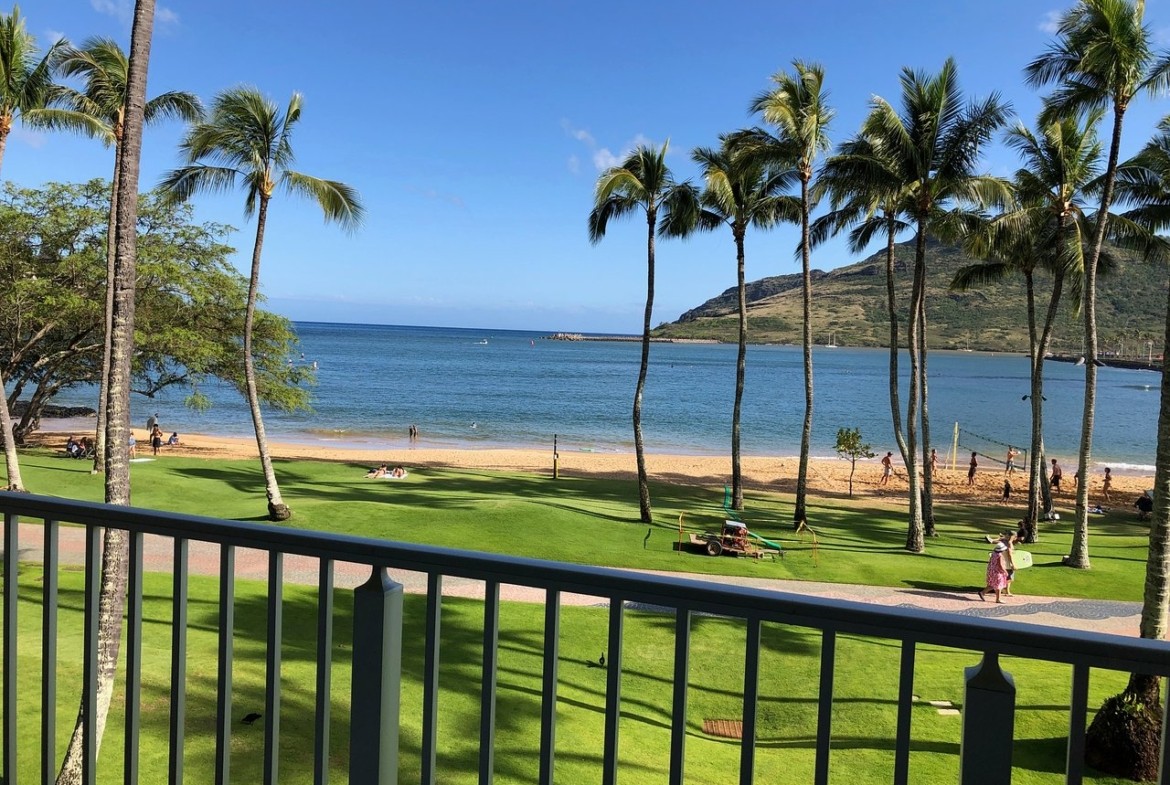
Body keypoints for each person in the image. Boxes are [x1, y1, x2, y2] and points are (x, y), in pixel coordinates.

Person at [979, 533, 1014, 604]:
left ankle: (982, 592)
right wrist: (1005, 571)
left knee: (993, 584)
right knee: (999, 585)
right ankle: (998, 599)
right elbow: (1000, 565)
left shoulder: (994, 553)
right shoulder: (1000, 555)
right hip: (997, 571)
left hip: (991, 570)